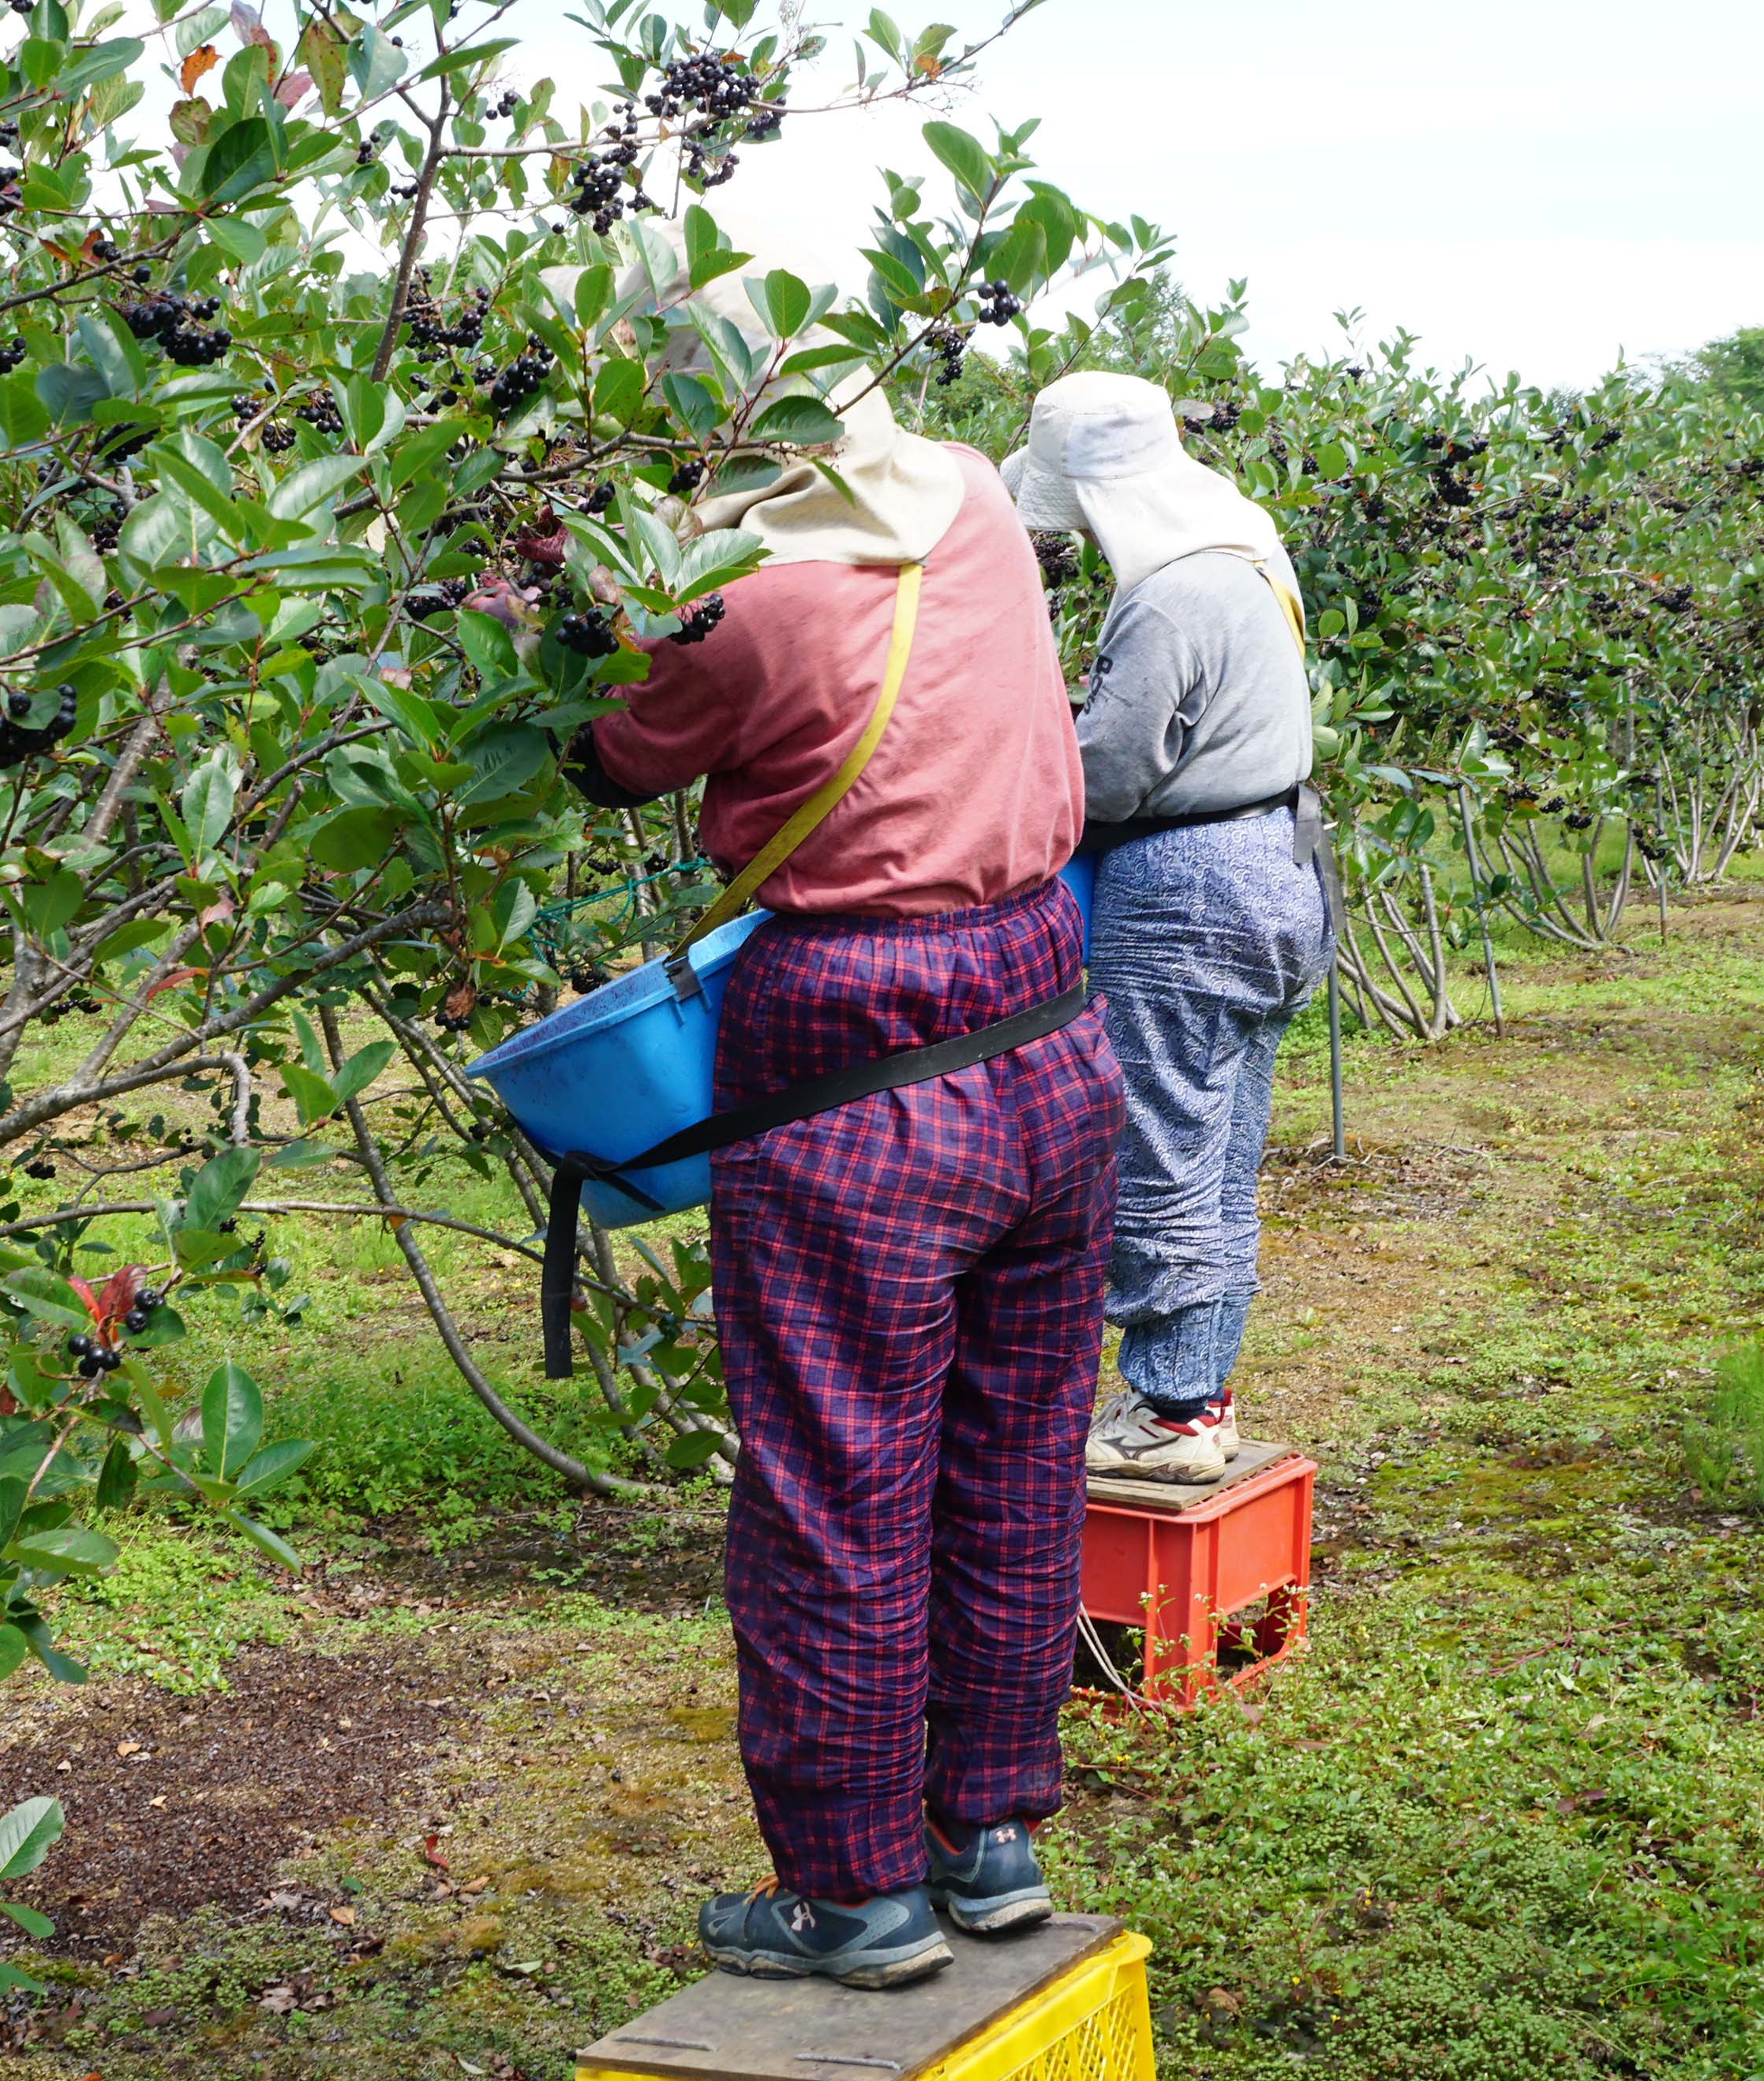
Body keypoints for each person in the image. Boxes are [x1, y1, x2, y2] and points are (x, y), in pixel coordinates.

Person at [564, 246, 1123, 1989]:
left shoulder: (743, 601)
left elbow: (609, 754)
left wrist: (561, 592)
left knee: (836, 1483)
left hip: (859, 1055)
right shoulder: (960, 493)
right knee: (1017, 1451)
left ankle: (855, 1887)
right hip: (1051, 1015)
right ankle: (991, 1832)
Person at [1002, 373, 1336, 1486]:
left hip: (1189, 894)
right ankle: (1197, 1389)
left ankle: (1175, 1412)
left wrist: (1013, 762)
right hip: (1280, 869)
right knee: (1223, 1150)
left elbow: (1113, 771)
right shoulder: (1246, 555)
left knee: (1160, 1149)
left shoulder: (1169, 595)